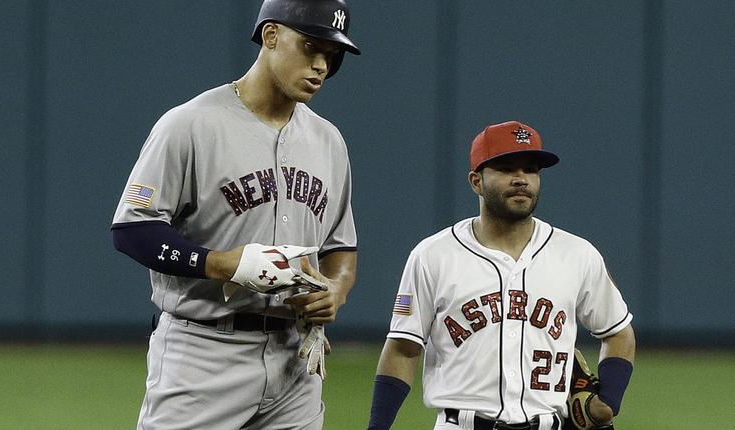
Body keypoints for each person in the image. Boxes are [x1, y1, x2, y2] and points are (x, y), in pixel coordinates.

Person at [110, 1, 360, 428]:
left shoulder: (328, 141)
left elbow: (341, 247)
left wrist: (334, 291)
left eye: (331, 55)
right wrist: (221, 263)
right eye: (309, 46)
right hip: (204, 353)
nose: (321, 65)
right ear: (270, 36)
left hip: (294, 360)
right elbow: (133, 230)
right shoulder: (190, 125)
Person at [366, 121, 636, 430]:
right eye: (506, 168)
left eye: (531, 170)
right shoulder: (433, 255)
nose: (521, 179)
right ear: (476, 182)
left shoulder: (577, 254)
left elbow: (618, 332)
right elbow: (403, 348)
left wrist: (608, 402)